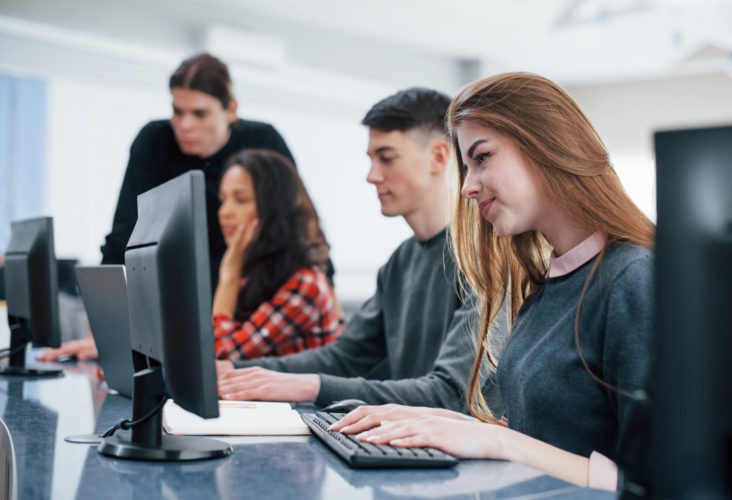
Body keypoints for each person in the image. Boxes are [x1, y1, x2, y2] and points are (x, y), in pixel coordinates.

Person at [329, 72, 655, 493]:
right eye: (466, 167)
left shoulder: (633, 279)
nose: (466, 187)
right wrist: (445, 423)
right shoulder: (546, 285)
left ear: (545, 145)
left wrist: (497, 441)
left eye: (481, 158)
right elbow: (547, 438)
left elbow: (652, 485)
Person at [216, 88, 502, 412]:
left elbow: (449, 395)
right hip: (413, 444)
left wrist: (310, 385)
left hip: (465, 458)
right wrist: (234, 372)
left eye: (387, 158)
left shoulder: (485, 256)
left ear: (438, 156)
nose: (372, 176)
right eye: (371, 160)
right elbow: (344, 357)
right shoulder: (400, 262)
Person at [38, 52, 331, 362]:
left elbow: (301, 220)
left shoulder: (263, 142)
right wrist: (105, 331)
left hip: (249, 295)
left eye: (200, 114)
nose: (185, 125)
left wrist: (328, 298)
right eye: (177, 112)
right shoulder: (155, 140)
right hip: (183, 299)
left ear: (230, 109)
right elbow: (124, 235)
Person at [213, 149, 341, 360]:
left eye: (241, 200)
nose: (224, 212)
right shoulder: (256, 274)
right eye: (223, 200)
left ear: (272, 208)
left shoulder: (304, 283)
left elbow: (222, 356)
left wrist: (229, 274)